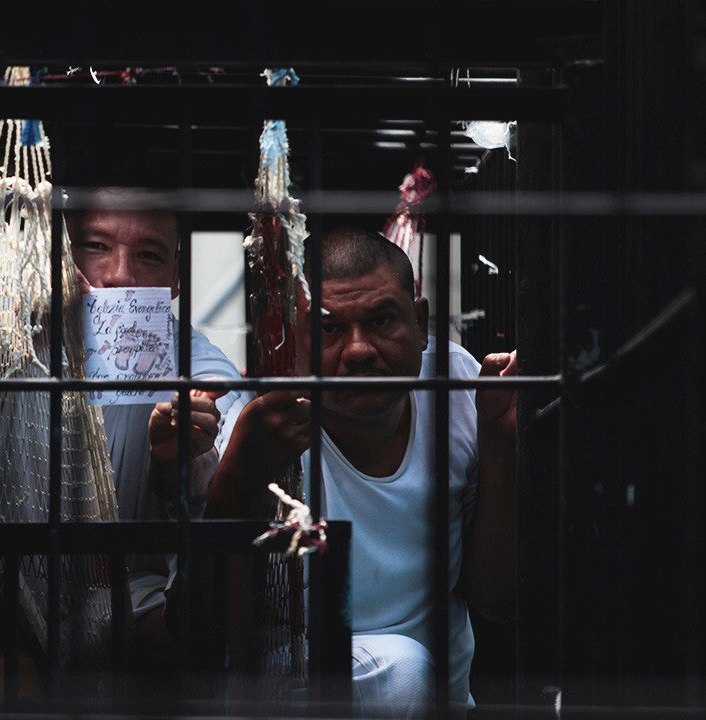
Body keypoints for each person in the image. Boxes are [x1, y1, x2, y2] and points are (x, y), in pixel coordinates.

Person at [193, 226, 517, 718]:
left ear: (421, 323)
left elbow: (497, 600)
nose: (359, 350)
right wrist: (240, 476)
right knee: (402, 671)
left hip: (441, 702)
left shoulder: (457, 386)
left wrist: (499, 444)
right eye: (328, 329)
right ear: (292, 340)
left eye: (382, 320)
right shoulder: (253, 420)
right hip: (296, 690)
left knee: (406, 672)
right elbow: (203, 635)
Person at [64, 196, 251, 666]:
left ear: (175, 278)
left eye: (148, 255)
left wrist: (179, 465)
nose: (119, 276)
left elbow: (223, 474)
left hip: (135, 598)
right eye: (95, 246)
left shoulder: (200, 370)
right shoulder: (6, 347)